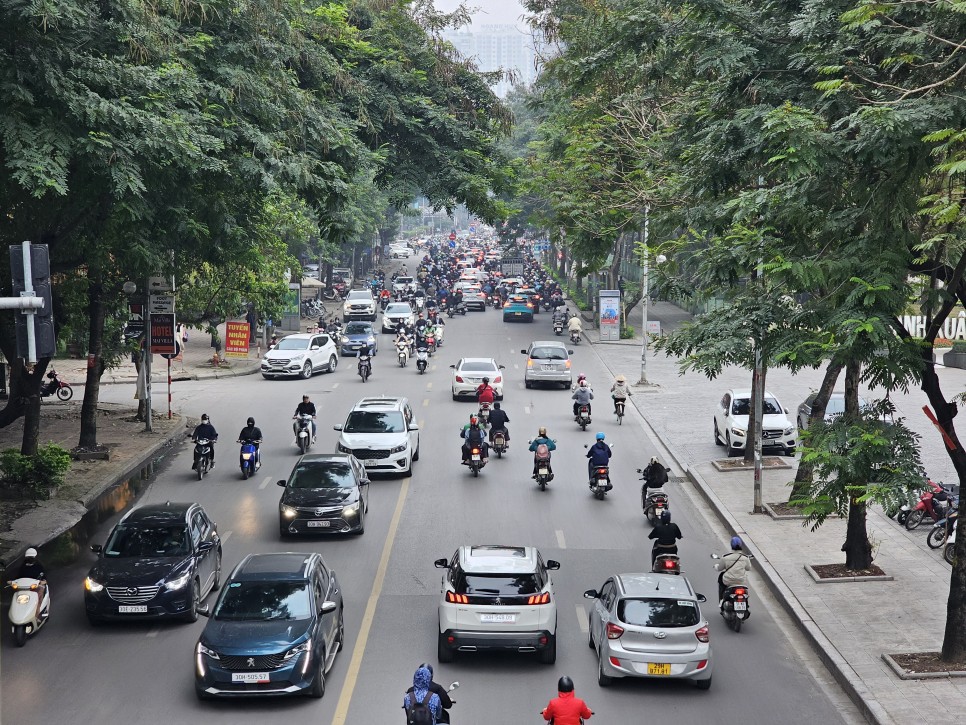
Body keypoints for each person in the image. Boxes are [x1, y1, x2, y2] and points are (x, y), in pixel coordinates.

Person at [715, 536, 752, 603]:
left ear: (731, 545)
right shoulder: (745, 558)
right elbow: (748, 568)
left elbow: (719, 568)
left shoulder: (726, 557)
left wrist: (716, 566)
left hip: (728, 581)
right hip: (741, 581)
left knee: (720, 581)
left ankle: (721, 600)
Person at [16, 548, 47, 620]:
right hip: (25, 587)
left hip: (36, 587)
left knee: (38, 599)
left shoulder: (39, 566)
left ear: (35, 557)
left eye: (31, 557)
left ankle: (37, 616)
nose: (30, 559)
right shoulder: (23, 566)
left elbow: (44, 578)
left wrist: (42, 582)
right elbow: (18, 577)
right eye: (29, 557)